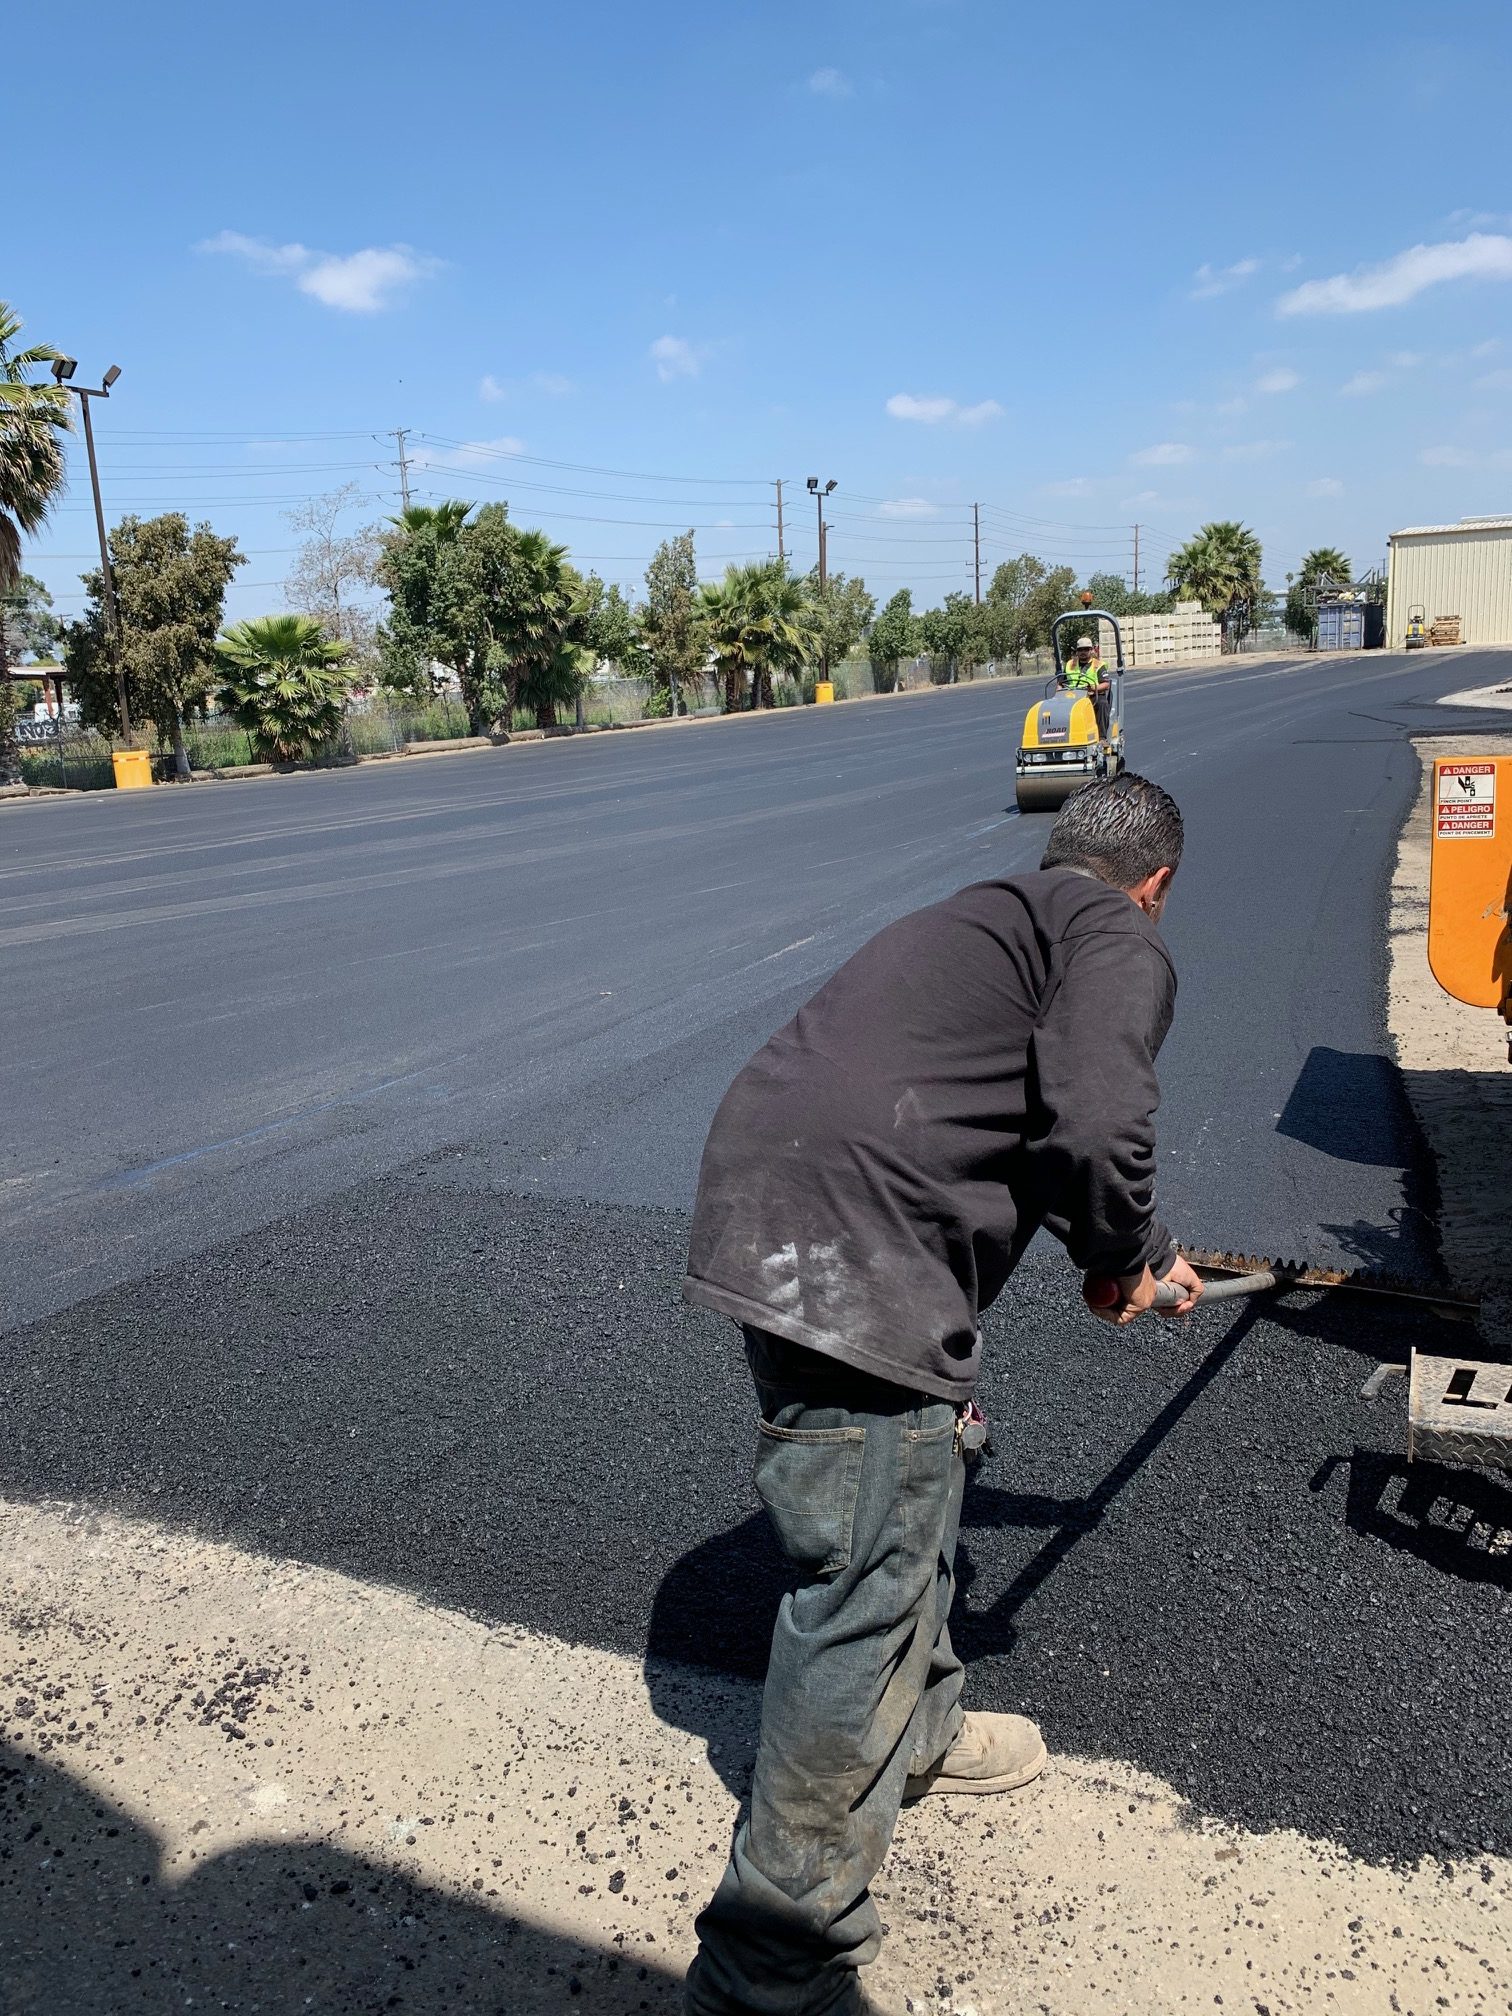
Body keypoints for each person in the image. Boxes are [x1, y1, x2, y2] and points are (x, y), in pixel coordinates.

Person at [681, 772, 1203, 2016]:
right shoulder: (1115, 934)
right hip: (861, 1252)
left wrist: (1134, 1246)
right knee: (865, 1581)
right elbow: (1095, 1117)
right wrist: (1124, 1260)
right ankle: (768, 1962)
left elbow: (1037, 1119)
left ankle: (920, 1737)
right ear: (1158, 886)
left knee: (918, 1474)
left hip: (769, 1210)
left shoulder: (986, 919)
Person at [1064, 633, 1112, 739]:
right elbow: (1061, 683)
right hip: (1073, 695)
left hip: (1092, 695)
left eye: (1086, 649)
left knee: (1103, 704)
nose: (1083, 652)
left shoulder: (1098, 665)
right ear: (1077, 651)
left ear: (1091, 650)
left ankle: (1102, 738)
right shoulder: (1069, 664)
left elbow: (1106, 684)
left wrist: (1094, 688)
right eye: (1080, 650)